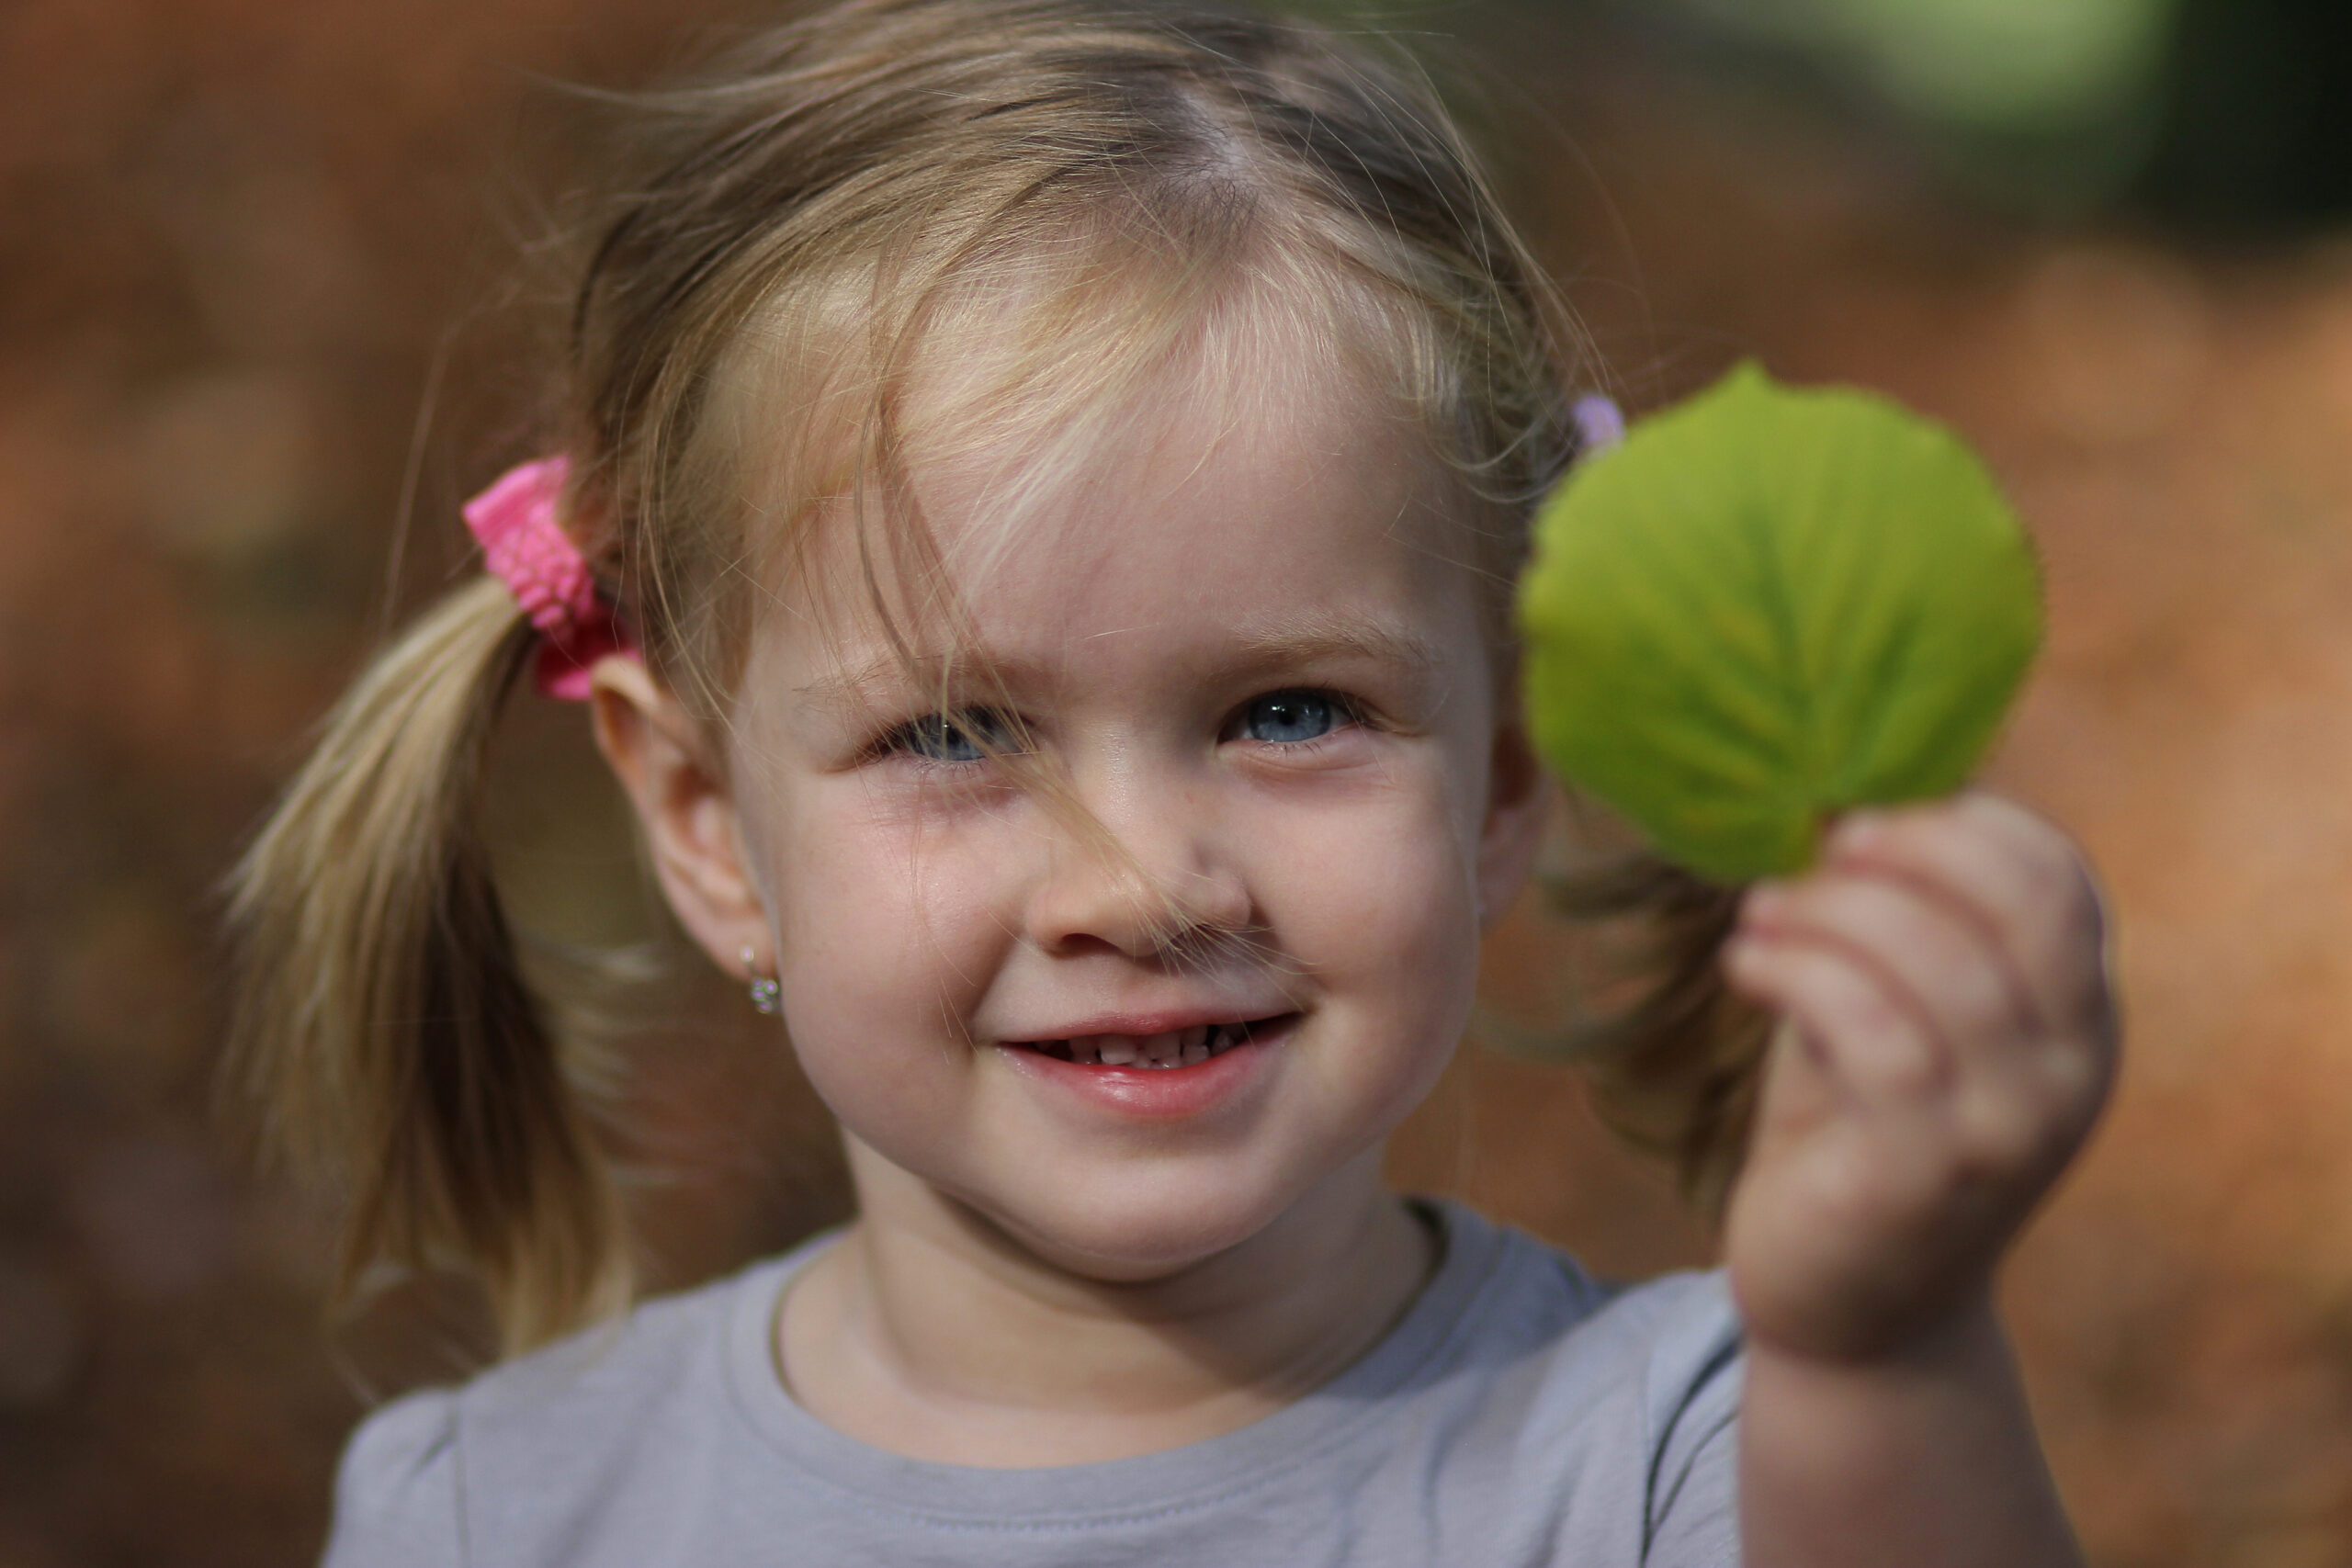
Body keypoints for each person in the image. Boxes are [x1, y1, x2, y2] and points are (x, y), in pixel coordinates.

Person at [227, 0, 2118, 1562]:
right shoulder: (498, 1514)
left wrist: (1886, 1352)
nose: (1140, 878)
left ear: (1505, 769)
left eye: (1288, 710)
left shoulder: (1702, 1453)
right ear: (709, 825)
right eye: (954, 733)